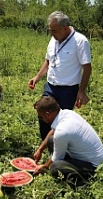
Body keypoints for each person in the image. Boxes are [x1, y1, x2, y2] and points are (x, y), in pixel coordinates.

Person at [28, 11, 92, 140]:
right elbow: (48, 61)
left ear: (65, 27)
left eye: (54, 30)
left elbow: (87, 68)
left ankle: (59, 153)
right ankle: (46, 146)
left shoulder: (80, 41)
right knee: (42, 115)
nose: (51, 34)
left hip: (67, 90)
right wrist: (37, 77)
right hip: (50, 87)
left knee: (60, 123)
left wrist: (81, 91)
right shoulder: (53, 39)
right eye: (50, 30)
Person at [33, 96, 103, 180]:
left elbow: (56, 159)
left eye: (41, 117)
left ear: (48, 114)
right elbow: (53, 131)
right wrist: (40, 150)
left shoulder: (62, 131)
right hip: (95, 158)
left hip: (96, 168)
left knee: (55, 167)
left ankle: (84, 180)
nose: (41, 119)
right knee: (51, 140)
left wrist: (44, 167)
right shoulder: (67, 113)